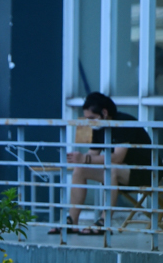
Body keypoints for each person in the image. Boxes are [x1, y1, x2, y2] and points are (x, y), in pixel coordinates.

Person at [55, 92, 153, 235]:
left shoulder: (123, 122)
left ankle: (104, 221)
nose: (89, 123)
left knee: (112, 169)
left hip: (145, 173)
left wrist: (85, 159)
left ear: (104, 113)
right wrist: (78, 159)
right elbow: (92, 154)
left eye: (91, 118)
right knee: (80, 170)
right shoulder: (99, 127)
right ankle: (72, 221)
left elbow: (118, 157)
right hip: (122, 173)